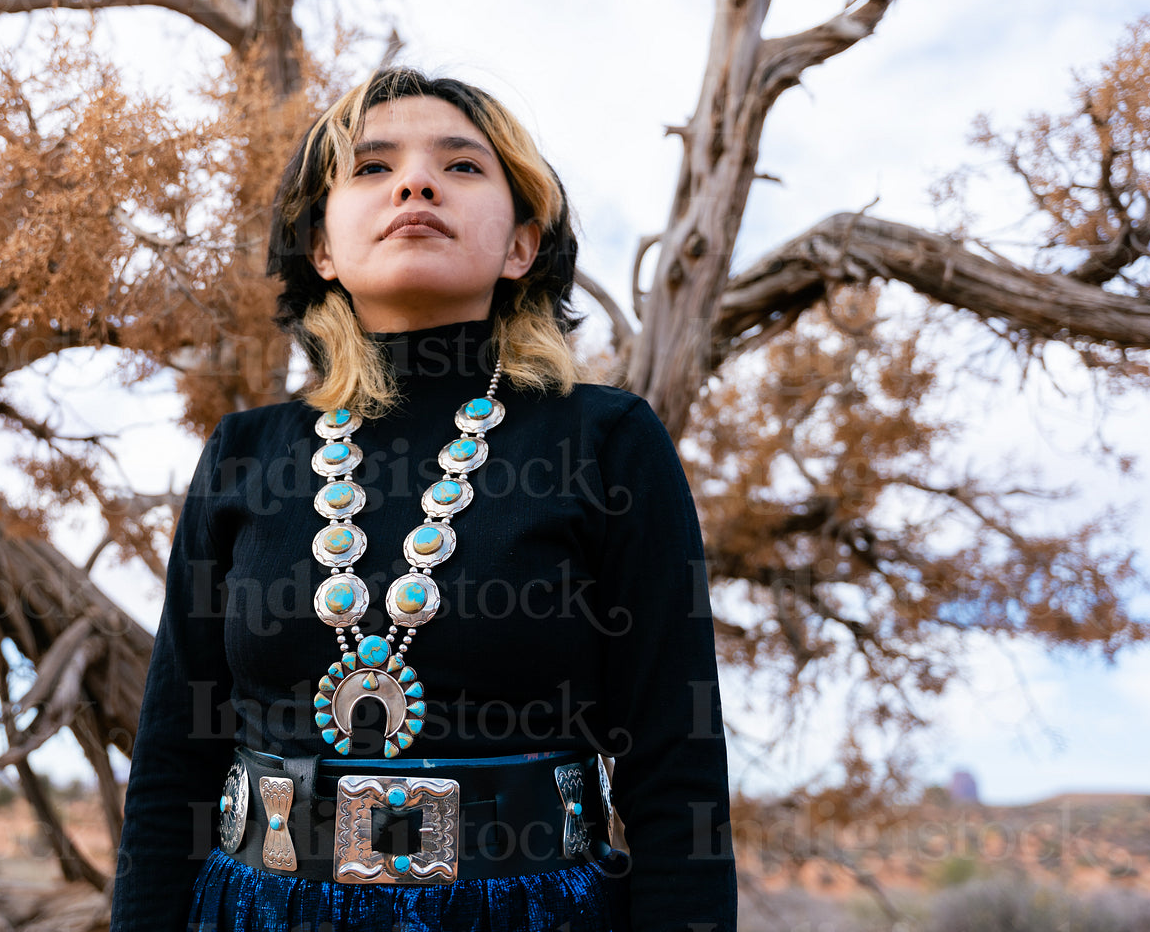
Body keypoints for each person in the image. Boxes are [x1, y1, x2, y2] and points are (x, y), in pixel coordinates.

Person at [111, 68, 737, 932]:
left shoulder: (606, 441)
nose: (415, 182)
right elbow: (173, 763)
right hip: (256, 912)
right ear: (322, 248)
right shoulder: (244, 455)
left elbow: (676, 772)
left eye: (463, 166)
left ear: (521, 245)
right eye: (370, 168)